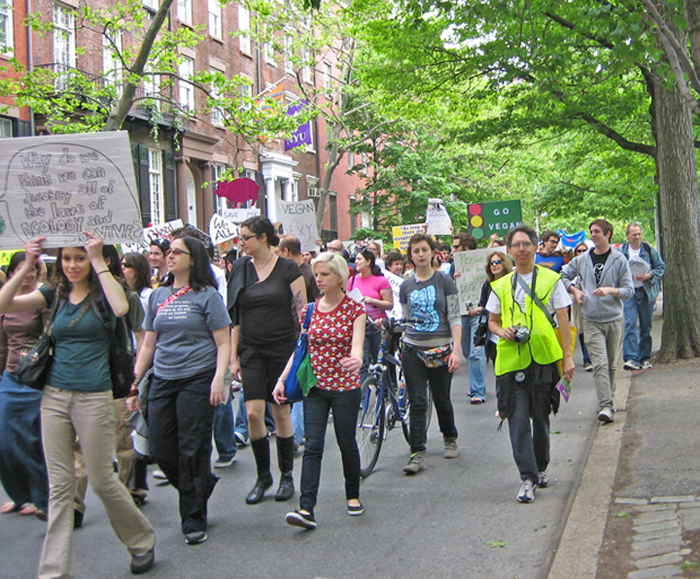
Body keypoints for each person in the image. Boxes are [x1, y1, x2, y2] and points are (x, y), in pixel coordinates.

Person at [0, 233, 156, 577]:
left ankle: (142, 539)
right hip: (53, 396)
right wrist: (26, 263)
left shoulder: (108, 294)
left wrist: (98, 258)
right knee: (60, 486)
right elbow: (4, 304)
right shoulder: (53, 293)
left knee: (102, 480)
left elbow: (122, 309)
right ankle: (55, 571)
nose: (72, 265)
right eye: (66, 258)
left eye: (79, 258)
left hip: (95, 397)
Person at [128, 236, 231, 545]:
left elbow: (223, 342)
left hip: (197, 379)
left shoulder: (208, 296)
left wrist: (218, 378)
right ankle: (201, 484)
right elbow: (149, 342)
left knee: (192, 447)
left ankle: (193, 517)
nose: (169, 257)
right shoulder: (158, 296)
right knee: (160, 447)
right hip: (162, 379)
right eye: (168, 252)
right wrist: (134, 380)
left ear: (193, 259)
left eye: (176, 252)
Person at [273, 252, 366, 529]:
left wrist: (357, 359)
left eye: (325, 274)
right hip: (315, 387)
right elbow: (300, 349)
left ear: (339, 277)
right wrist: (282, 378)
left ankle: (352, 494)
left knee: (345, 441)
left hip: (345, 388)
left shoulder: (354, 310)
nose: (319, 279)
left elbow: (358, 345)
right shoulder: (309, 310)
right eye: (317, 274)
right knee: (313, 446)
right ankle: (306, 508)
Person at [487, 225, 575, 503]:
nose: (521, 249)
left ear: (535, 248)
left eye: (526, 244)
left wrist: (568, 357)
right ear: (509, 250)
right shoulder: (499, 285)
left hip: (544, 359)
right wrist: (502, 332)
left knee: (540, 417)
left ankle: (540, 467)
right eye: (516, 245)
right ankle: (527, 476)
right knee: (517, 419)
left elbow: (563, 319)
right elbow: (492, 321)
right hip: (511, 362)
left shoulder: (551, 279)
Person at [228, 216, 307, 505]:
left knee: (281, 411)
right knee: (252, 413)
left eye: (246, 237)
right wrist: (234, 357)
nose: (242, 243)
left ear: (263, 237)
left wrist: (301, 351)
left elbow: (301, 312)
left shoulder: (287, 268)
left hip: (282, 348)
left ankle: (286, 475)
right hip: (251, 348)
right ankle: (263, 477)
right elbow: (235, 316)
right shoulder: (239, 268)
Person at [399, 233, 462, 475]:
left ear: (433, 252)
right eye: (416, 251)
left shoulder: (444, 282)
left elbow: (455, 316)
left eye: (425, 249)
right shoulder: (405, 285)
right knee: (417, 402)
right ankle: (417, 451)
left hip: (441, 349)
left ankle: (449, 437)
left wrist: (456, 350)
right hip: (413, 349)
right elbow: (406, 318)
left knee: (441, 398)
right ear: (411, 256)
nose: (421, 254)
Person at [561, 219, 634, 423]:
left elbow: (629, 291)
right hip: (591, 319)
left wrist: (611, 290)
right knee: (599, 364)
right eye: (591, 232)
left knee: (611, 365)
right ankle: (606, 405)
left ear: (608, 234)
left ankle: (608, 401)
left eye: (597, 232)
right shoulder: (582, 260)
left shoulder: (619, 260)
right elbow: (563, 275)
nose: (593, 235)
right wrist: (575, 291)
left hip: (614, 319)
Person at [0, 252, 49, 520]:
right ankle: (19, 496)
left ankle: (40, 498)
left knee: (32, 441)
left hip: (36, 378)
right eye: (22, 268)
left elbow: (48, 339)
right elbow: (2, 344)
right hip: (10, 377)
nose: (28, 273)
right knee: (5, 440)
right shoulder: (6, 301)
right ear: (11, 273)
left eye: (33, 268)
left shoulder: (42, 300)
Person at [620, 223, 665, 371]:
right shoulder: (622, 252)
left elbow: (660, 267)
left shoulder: (648, 249)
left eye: (639, 234)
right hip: (630, 293)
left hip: (646, 292)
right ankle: (631, 358)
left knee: (646, 325)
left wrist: (649, 275)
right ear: (627, 236)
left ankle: (644, 357)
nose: (637, 237)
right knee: (630, 323)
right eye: (634, 235)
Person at [347, 248, 393, 383]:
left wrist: (372, 300)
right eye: (355, 259)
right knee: (362, 361)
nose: (356, 262)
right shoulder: (353, 280)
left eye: (359, 259)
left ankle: (385, 393)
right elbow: (348, 302)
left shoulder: (380, 281)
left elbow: (389, 304)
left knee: (381, 362)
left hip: (378, 326)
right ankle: (361, 398)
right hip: (361, 326)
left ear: (368, 261)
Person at [453, 231, 488, 404]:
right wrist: (453, 281)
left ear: (466, 246)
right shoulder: (454, 265)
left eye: (456, 246)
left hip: (478, 312)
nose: (453, 250)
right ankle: (476, 383)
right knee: (467, 351)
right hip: (461, 313)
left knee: (476, 351)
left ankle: (478, 391)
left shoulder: (483, 261)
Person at [479, 251, 513, 365]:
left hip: (511, 331)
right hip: (494, 335)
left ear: (505, 264)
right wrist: (478, 309)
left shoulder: (513, 282)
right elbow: (483, 305)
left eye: (498, 262)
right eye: (491, 263)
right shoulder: (487, 285)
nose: (494, 265)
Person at [570, 242, 593, 372]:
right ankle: (587, 359)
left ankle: (594, 357)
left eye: (584, 250)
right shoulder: (573, 266)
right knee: (582, 330)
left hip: (593, 302)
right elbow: (565, 279)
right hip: (578, 302)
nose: (582, 253)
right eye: (579, 251)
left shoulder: (591, 265)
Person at [278, 235, 322, 302]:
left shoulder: (311, 274)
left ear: (286, 251)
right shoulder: (284, 272)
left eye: (278, 252)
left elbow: (320, 302)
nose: (277, 256)